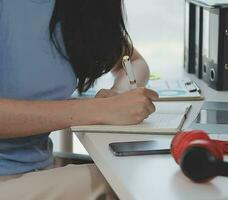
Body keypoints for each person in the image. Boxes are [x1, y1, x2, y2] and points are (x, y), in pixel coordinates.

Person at [0, 0, 158, 199]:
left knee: (134, 170)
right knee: (126, 183)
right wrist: (100, 110)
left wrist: (118, 93)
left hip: (36, 169)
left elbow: (133, 62)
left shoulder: (75, 8)